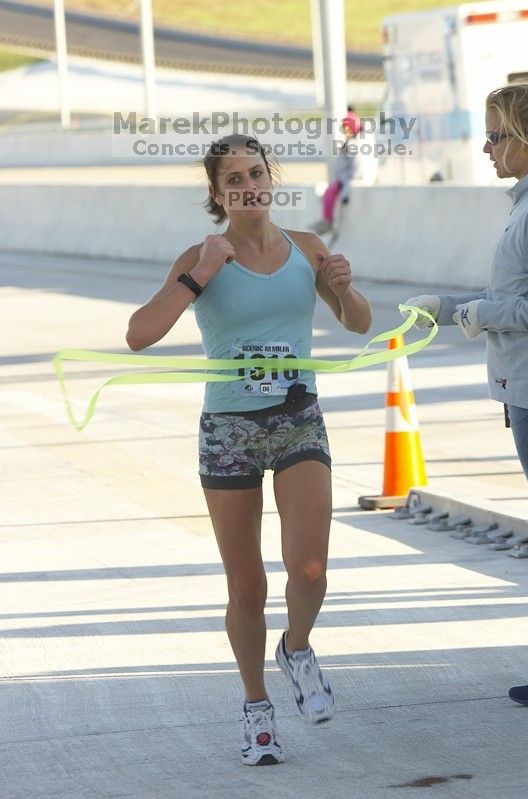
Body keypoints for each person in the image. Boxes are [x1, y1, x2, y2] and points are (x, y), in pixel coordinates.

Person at [126, 133, 372, 765]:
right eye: (232, 179)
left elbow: (360, 322)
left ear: (272, 178)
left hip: (297, 421)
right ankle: (257, 710)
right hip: (229, 429)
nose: (247, 186)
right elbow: (139, 335)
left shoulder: (307, 249)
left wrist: (342, 287)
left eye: (255, 173)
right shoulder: (202, 256)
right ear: (217, 193)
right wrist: (198, 276)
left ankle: (297, 649)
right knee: (246, 586)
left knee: (310, 568)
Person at [400, 83, 528, 704]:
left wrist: (472, 312)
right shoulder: (523, 206)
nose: (486, 147)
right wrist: (451, 309)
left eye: (498, 135)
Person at [312, 107, 363, 235]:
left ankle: (328, 221)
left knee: (330, 192)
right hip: (342, 179)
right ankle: (326, 220)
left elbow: (356, 168)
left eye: (347, 128)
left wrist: (346, 188)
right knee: (328, 193)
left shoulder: (354, 145)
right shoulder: (349, 143)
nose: (345, 131)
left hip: (346, 180)